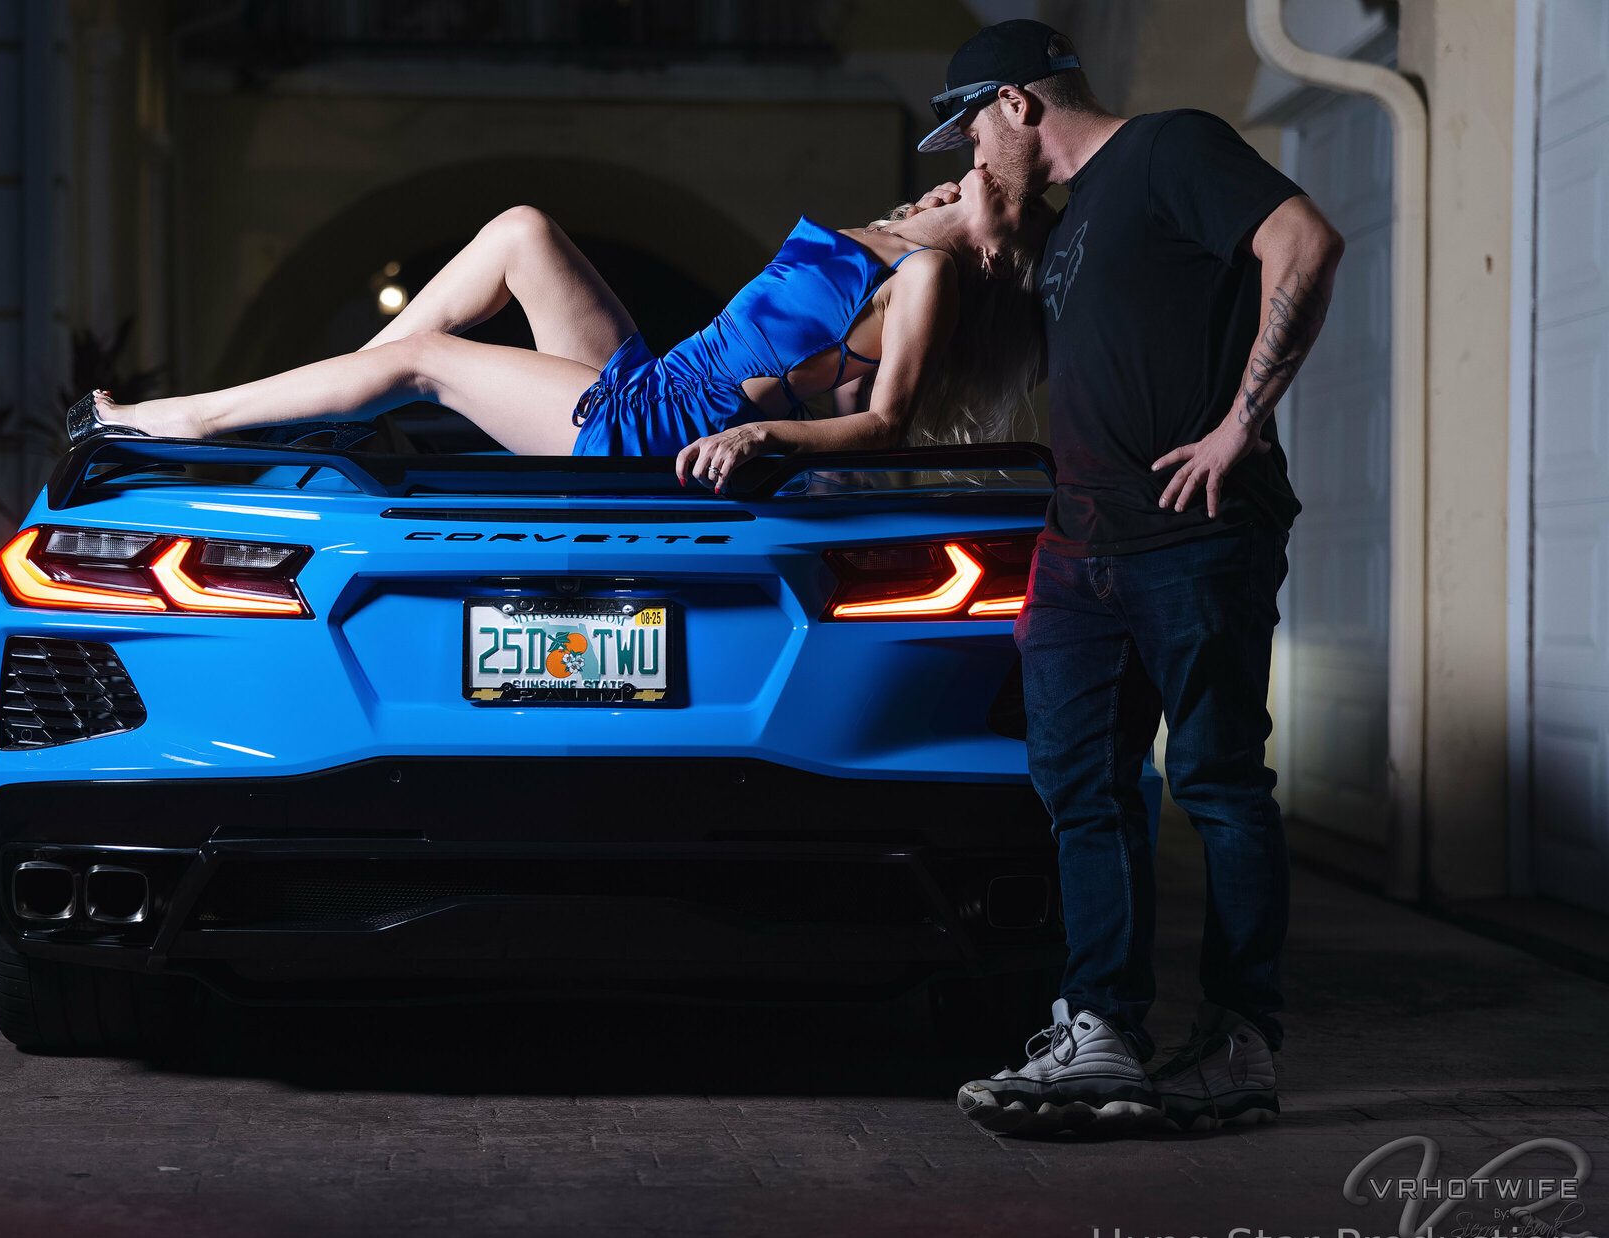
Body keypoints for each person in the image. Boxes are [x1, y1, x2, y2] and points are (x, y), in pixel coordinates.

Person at [920, 20, 1345, 1135]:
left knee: (1216, 781)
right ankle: (1101, 1032)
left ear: (1017, 104)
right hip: (1078, 554)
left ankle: (1239, 1039)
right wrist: (973, 233)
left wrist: (1239, 427)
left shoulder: (1169, 148)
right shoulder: (1065, 228)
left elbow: (1305, 242)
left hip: (1193, 536)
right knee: (1082, 789)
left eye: (973, 133)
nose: (974, 157)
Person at [74, 174, 1050, 491]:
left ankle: (175, 421)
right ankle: (341, 407)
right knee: (522, 231)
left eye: (992, 188)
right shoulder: (897, 243)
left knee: (425, 361)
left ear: (996, 241)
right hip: (664, 381)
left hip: (674, 424)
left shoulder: (927, 277)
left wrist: (763, 436)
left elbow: (883, 424)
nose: (968, 174)